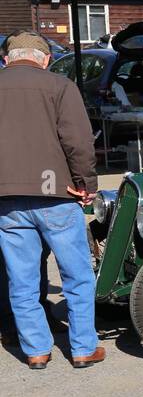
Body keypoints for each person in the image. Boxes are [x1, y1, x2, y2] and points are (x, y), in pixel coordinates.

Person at [0, 32, 103, 369]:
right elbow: (79, 142)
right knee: (77, 275)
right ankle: (84, 348)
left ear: (6, 60)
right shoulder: (59, 86)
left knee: (22, 280)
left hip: (8, 199)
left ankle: (36, 350)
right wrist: (85, 183)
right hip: (56, 194)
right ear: (45, 59)